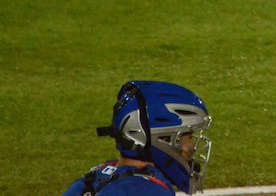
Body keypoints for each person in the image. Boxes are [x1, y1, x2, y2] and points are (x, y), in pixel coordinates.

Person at [61, 80, 212, 196]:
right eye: (188, 136)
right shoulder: (149, 191)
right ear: (163, 139)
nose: (192, 145)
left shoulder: (86, 182)